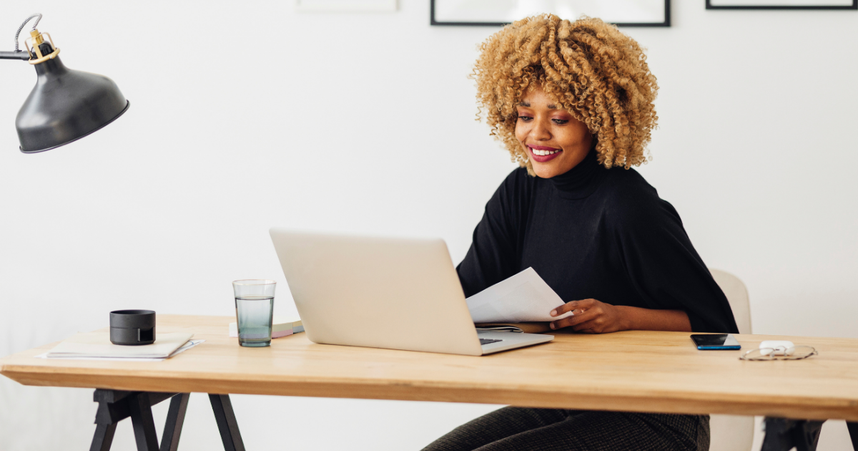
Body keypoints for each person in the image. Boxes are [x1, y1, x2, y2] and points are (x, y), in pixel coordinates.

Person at [422, 14, 738, 451]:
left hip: (656, 416)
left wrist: (623, 316)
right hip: (563, 398)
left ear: (599, 118)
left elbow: (720, 329)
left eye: (561, 118)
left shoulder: (628, 205)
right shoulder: (521, 192)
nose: (537, 133)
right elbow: (465, 293)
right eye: (524, 114)